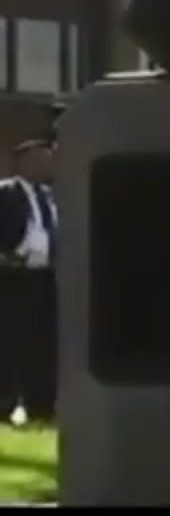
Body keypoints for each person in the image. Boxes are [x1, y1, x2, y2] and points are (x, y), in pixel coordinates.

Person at [0, 139, 59, 425]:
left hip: (46, 278)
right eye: (40, 159)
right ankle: (4, 404)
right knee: (11, 343)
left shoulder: (52, 196)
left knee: (44, 342)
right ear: (23, 163)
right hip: (13, 278)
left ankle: (41, 405)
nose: (47, 165)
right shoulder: (6, 193)